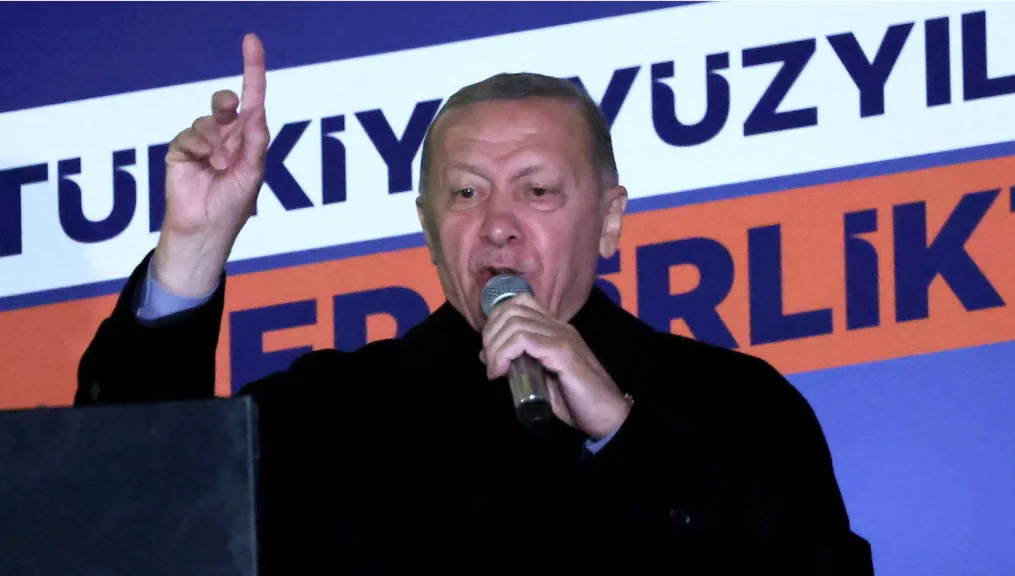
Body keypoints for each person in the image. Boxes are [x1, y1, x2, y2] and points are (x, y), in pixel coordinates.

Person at [74, 34, 873, 575]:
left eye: (538, 190)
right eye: (465, 193)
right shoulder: (326, 413)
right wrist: (194, 243)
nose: (497, 224)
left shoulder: (736, 406)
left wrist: (623, 435)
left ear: (609, 221)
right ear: (429, 229)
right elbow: (122, 513)